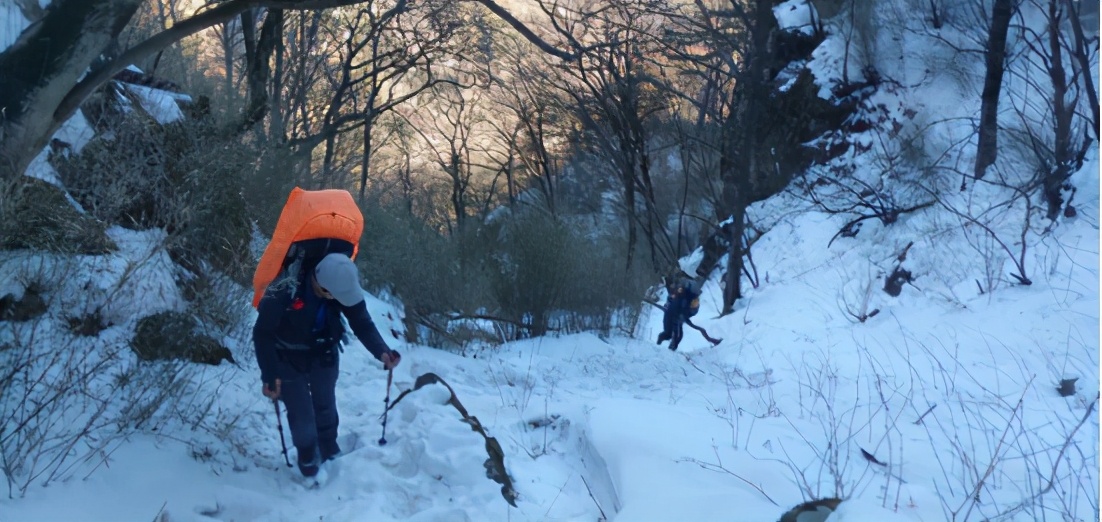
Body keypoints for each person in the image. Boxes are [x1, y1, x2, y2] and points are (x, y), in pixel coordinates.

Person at [254, 251, 401, 479]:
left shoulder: (342, 288)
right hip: (286, 355)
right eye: (332, 295)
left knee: (325, 404)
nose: (337, 300)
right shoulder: (284, 289)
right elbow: (262, 332)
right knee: (301, 414)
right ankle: (307, 456)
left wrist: (382, 351)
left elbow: (361, 322)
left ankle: (329, 448)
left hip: (324, 352)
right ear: (321, 285)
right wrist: (269, 374)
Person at [656, 278, 700, 352]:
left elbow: (694, 310)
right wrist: (668, 303)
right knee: (668, 333)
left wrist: (685, 315)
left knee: (678, 335)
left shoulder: (693, 298)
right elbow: (671, 298)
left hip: (680, 316)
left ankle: (672, 348)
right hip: (670, 313)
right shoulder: (679, 291)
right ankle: (659, 343)